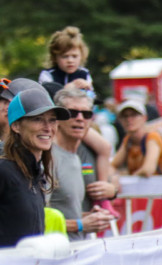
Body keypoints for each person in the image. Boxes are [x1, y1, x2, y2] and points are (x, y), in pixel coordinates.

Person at [1, 87, 68, 247]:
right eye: (37, 119)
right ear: (16, 126)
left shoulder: (36, 173)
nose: (48, 127)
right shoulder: (4, 170)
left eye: (52, 120)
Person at [50, 88, 116, 239]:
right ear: (58, 117)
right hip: (49, 254)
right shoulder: (46, 156)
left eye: (86, 114)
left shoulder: (82, 154)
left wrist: (91, 217)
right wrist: (80, 224)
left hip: (77, 251)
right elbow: (34, 218)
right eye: (72, 113)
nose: (80, 118)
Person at [111, 100, 162, 176]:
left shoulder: (152, 137)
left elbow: (148, 170)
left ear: (144, 118)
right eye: (125, 116)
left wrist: (127, 178)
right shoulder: (128, 140)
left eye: (134, 115)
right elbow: (112, 165)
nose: (129, 119)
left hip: (159, 186)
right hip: (139, 186)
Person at [37, 27, 93, 93]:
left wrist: (88, 88)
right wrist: (66, 89)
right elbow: (45, 97)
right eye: (65, 56)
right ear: (55, 57)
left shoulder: (84, 74)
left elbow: (91, 97)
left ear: (81, 56)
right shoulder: (47, 75)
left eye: (74, 56)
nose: (70, 61)